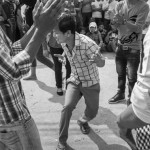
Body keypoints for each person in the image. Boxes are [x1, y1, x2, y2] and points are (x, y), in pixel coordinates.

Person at [0, 0, 64, 149]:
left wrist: (36, 26)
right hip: (13, 121)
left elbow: (12, 51)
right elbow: (13, 71)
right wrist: (41, 31)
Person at [53, 13, 105, 150]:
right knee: (67, 107)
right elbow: (70, 53)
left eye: (57, 33)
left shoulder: (87, 44)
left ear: (68, 33)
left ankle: (82, 121)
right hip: (75, 79)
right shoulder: (64, 42)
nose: (54, 36)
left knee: (93, 112)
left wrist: (98, 61)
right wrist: (64, 57)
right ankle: (62, 141)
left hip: (90, 81)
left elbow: (102, 63)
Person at [108, 0, 149, 105]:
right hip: (120, 45)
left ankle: (131, 99)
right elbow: (115, 27)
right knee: (120, 74)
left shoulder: (144, 6)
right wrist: (113, 21)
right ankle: (120, 94)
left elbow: (138, 28)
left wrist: (124, 21)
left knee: (132, 77)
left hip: (133, 48)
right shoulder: (120, 4)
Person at [22, 0, 55, 80]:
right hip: (31, 32)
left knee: (39, 56)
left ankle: (57, 71)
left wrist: (45, 48)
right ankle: (33, 74)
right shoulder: (29, 6)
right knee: (32, 54)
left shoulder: (37, 5)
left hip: (37, 33)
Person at [47, 31, 71, 95]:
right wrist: (44, 48)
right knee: (57, 67)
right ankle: (59, 86)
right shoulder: (52, 21)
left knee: (69, 66)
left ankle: (69, 86)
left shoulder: (68, 21)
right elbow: (44, 31)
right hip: (54, 46)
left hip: (67, 44)